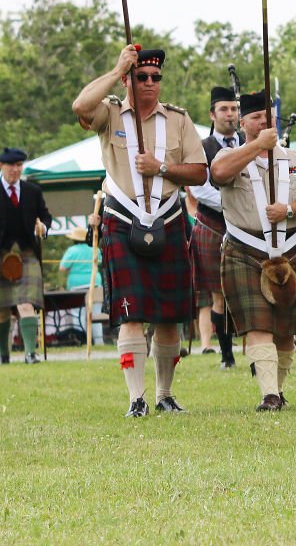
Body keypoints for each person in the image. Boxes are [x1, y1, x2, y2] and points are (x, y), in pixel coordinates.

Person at [72, 46, 207, 417]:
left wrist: (161, 168)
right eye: (141, 76)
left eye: (156, 77)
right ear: (130, 79)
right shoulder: (110, 111)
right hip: (123, 218)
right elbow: (80, 107)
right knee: (130, 313)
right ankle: (137, 398)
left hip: (167, 217)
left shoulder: (179, 120)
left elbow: (200, 172)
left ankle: (164, 394)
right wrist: (117, 69)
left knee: (168, 314)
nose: (150, 83)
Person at [210, 91, 296, 412]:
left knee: (286, 328)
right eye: (257, 117)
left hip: (291, 247)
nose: (264, 120)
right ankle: (269, 394)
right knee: (258, 325)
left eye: (268, 116)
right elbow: (218, 175)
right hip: (245, 248)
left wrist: (290, 209)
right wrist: (257, 146)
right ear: (243, 122)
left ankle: (278, 388)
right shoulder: (229, 157)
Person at [0, 148, 53, 364]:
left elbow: (45, 215)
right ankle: (5, 355)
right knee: (2, 308)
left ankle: (30, 353)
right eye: (11, 166)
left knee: (26, 303)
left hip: (26, 253)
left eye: (19, 165)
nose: (16, 170)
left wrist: (43, 227)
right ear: (1, 166)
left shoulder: (32, 191)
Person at [193, 85, 242, 369]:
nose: (230, 114)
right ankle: (226, 354)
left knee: (249, 289)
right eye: (224, 109)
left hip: (247, 227)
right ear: (212, 114)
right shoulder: (202, 147)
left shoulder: (249, 142)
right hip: (213, 225)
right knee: (219, 294)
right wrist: (235, 205)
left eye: (234, 109)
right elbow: (199, 190)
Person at [58, 226, 103, 345]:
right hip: (95, 284)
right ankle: (99, 341)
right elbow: (101, 262)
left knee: (79, 315)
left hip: (76, 286)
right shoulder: (95, 249)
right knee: (96, 314)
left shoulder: (72, 250)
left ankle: (83, 340)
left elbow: (62, 267)